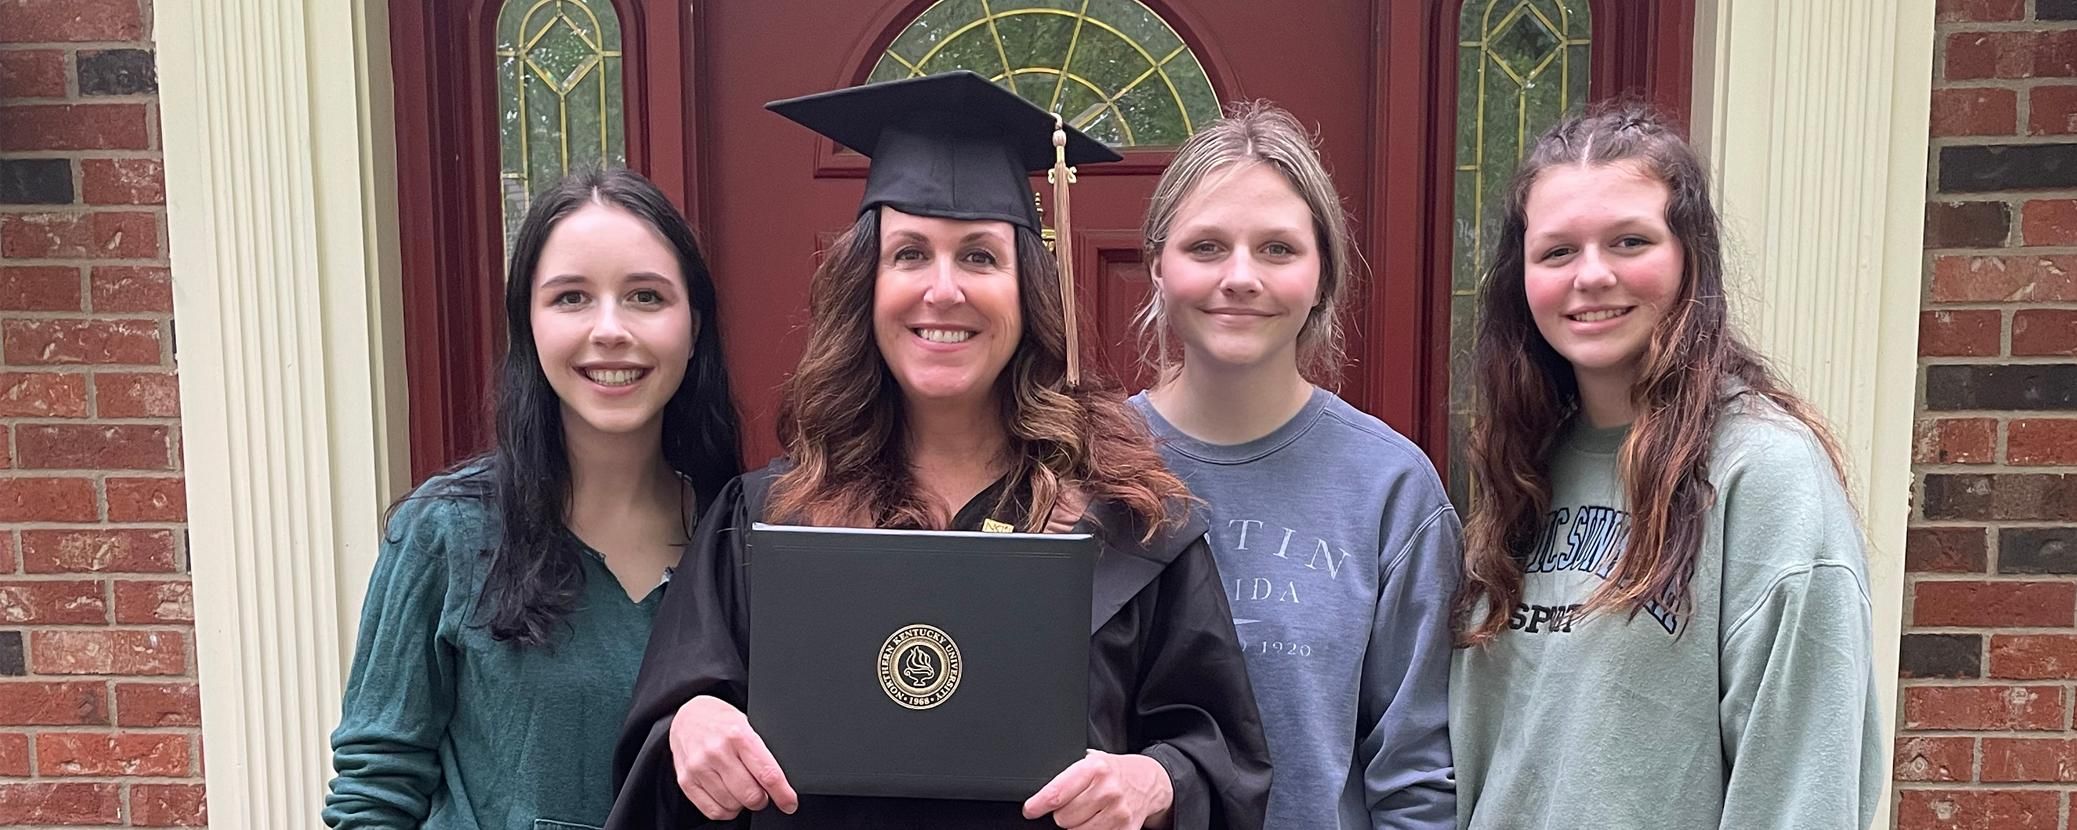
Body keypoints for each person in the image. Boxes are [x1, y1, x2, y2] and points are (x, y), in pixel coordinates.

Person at [608, 71, 1270, 830]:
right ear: (868, 284)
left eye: (980, 257)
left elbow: (1220, 757)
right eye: (910, 254)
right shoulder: (767, 521)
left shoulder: (1129, 526)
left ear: (1029, 290)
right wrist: (688, 728)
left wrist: (1156, 783)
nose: (943, 289)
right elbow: (665, 750)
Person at [1449, 104, 1884, 829]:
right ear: (1521, 278)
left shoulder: (1761, 473)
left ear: (1688, 255)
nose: (1591, 276)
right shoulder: (1523, 467)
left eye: (1628, 241)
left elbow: (1802, 784)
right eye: (1556, 252)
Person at [324, 168, 744, 830]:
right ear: (529, 325)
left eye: (644, 296)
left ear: (693, 328)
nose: (609, 329)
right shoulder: (447, 533)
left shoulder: (739, 543)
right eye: (571, 298)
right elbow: (376, 792)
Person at [1127, 101, 1457, 829]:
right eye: (1206, 246)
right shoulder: (1089, 467)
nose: (1240, 277)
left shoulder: (1390, 489)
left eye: (1277, 249)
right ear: (1156, 264)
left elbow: (1414, 772)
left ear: (1321, 273)